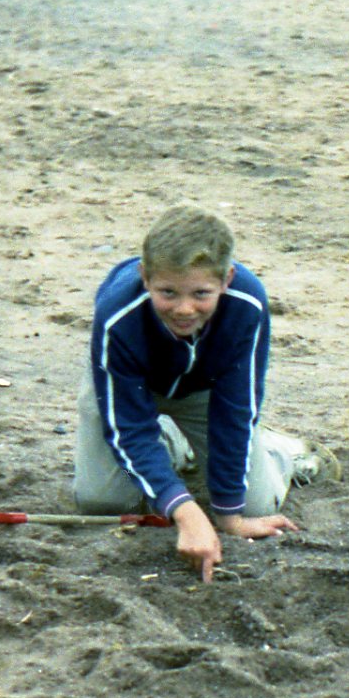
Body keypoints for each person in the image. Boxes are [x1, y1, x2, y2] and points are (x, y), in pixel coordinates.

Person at [75, 205, 317, 582]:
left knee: (250, 504)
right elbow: (127, 428)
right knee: (102, 501)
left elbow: (236, 408)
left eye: (201, 293)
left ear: (226, 279)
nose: (184, 309)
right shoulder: (117, 313)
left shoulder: (248, 303)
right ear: (145, 277)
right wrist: (185, 512)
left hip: (206, 393)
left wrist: (229, 519)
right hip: (129, 392)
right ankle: (169, 445)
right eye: (168, 292)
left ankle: (282, 451)